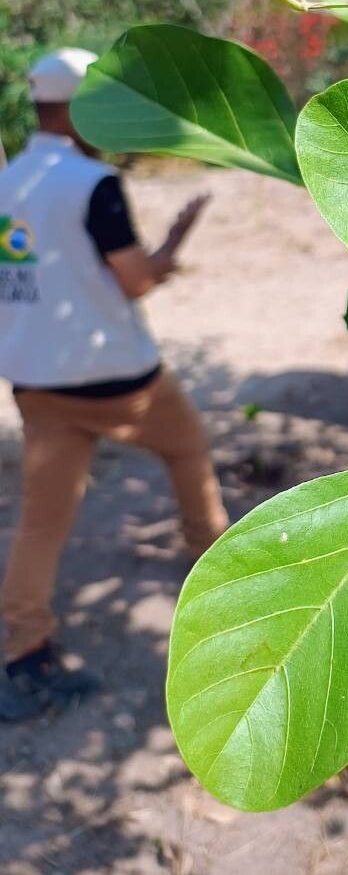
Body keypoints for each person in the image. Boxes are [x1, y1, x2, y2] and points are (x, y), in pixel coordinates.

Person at [0, 48, 228, 719]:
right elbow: (132, 278)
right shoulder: (91, 182)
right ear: (77, 107)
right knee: (189, 449)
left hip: (37, 379)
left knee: (42, 518)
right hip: (116, 379)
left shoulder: (11, 180)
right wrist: (173, 246)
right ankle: (214, 562)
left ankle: (23, 647)